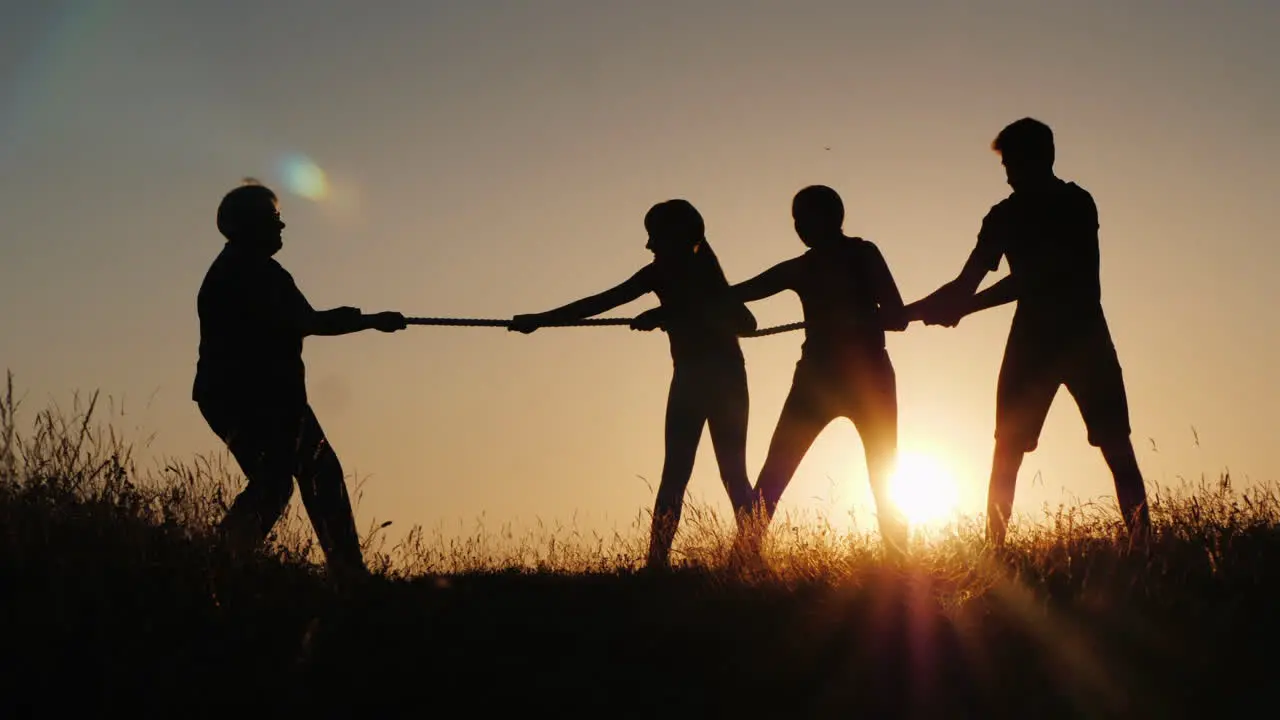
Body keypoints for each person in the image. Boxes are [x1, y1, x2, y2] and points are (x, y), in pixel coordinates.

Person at [908, 117, 1151, 547]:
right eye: (1006, 165)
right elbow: (965, 284)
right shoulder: (1001, 216)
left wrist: (964, 307)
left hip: (1082, 338)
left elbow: (1034, 278)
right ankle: (995, 553)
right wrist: (908, 311)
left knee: (1116, 444)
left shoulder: (1076, 203)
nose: (1008, 173)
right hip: (1037, 343)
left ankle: (1144, 545)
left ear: (1042, 157)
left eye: (1013, 162)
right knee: (1007, 450)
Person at [509, 200, 757, 568]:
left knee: (720, 471)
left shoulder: (705, 277)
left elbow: (746, 323)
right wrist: (541, 320)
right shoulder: (663, 273)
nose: (649, 246)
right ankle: (660, 561)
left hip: (716, 376)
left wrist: (667, 313)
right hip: (701, 375)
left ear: (676, 237)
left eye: (654, 237)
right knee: (691, 472)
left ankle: (733, 556)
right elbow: (601, 302)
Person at [193, 180, 407, 581]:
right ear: (253, 224)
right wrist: (369, 322)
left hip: (253, 397)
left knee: (291, 479)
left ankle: (220, 561)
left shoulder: (250, 269)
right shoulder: (248, 271)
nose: (282, 226)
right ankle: (221, 563)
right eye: (274, 219)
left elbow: (302, 321)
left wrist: (362, 321)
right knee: (298, 478)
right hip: (257, 398)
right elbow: (306, 322)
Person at [732, 185, 910, 558]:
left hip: (857, 379)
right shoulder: (804, 266)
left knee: (882, 472)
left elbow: (897, 316)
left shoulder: (861, 254)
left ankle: (898, 563)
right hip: (825, 379)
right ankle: (742, 560)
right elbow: (740, 292)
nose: (798, 227)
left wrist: (853, 317)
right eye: (795, 220)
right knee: (776, 472)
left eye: (804, 218)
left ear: (831, 217)